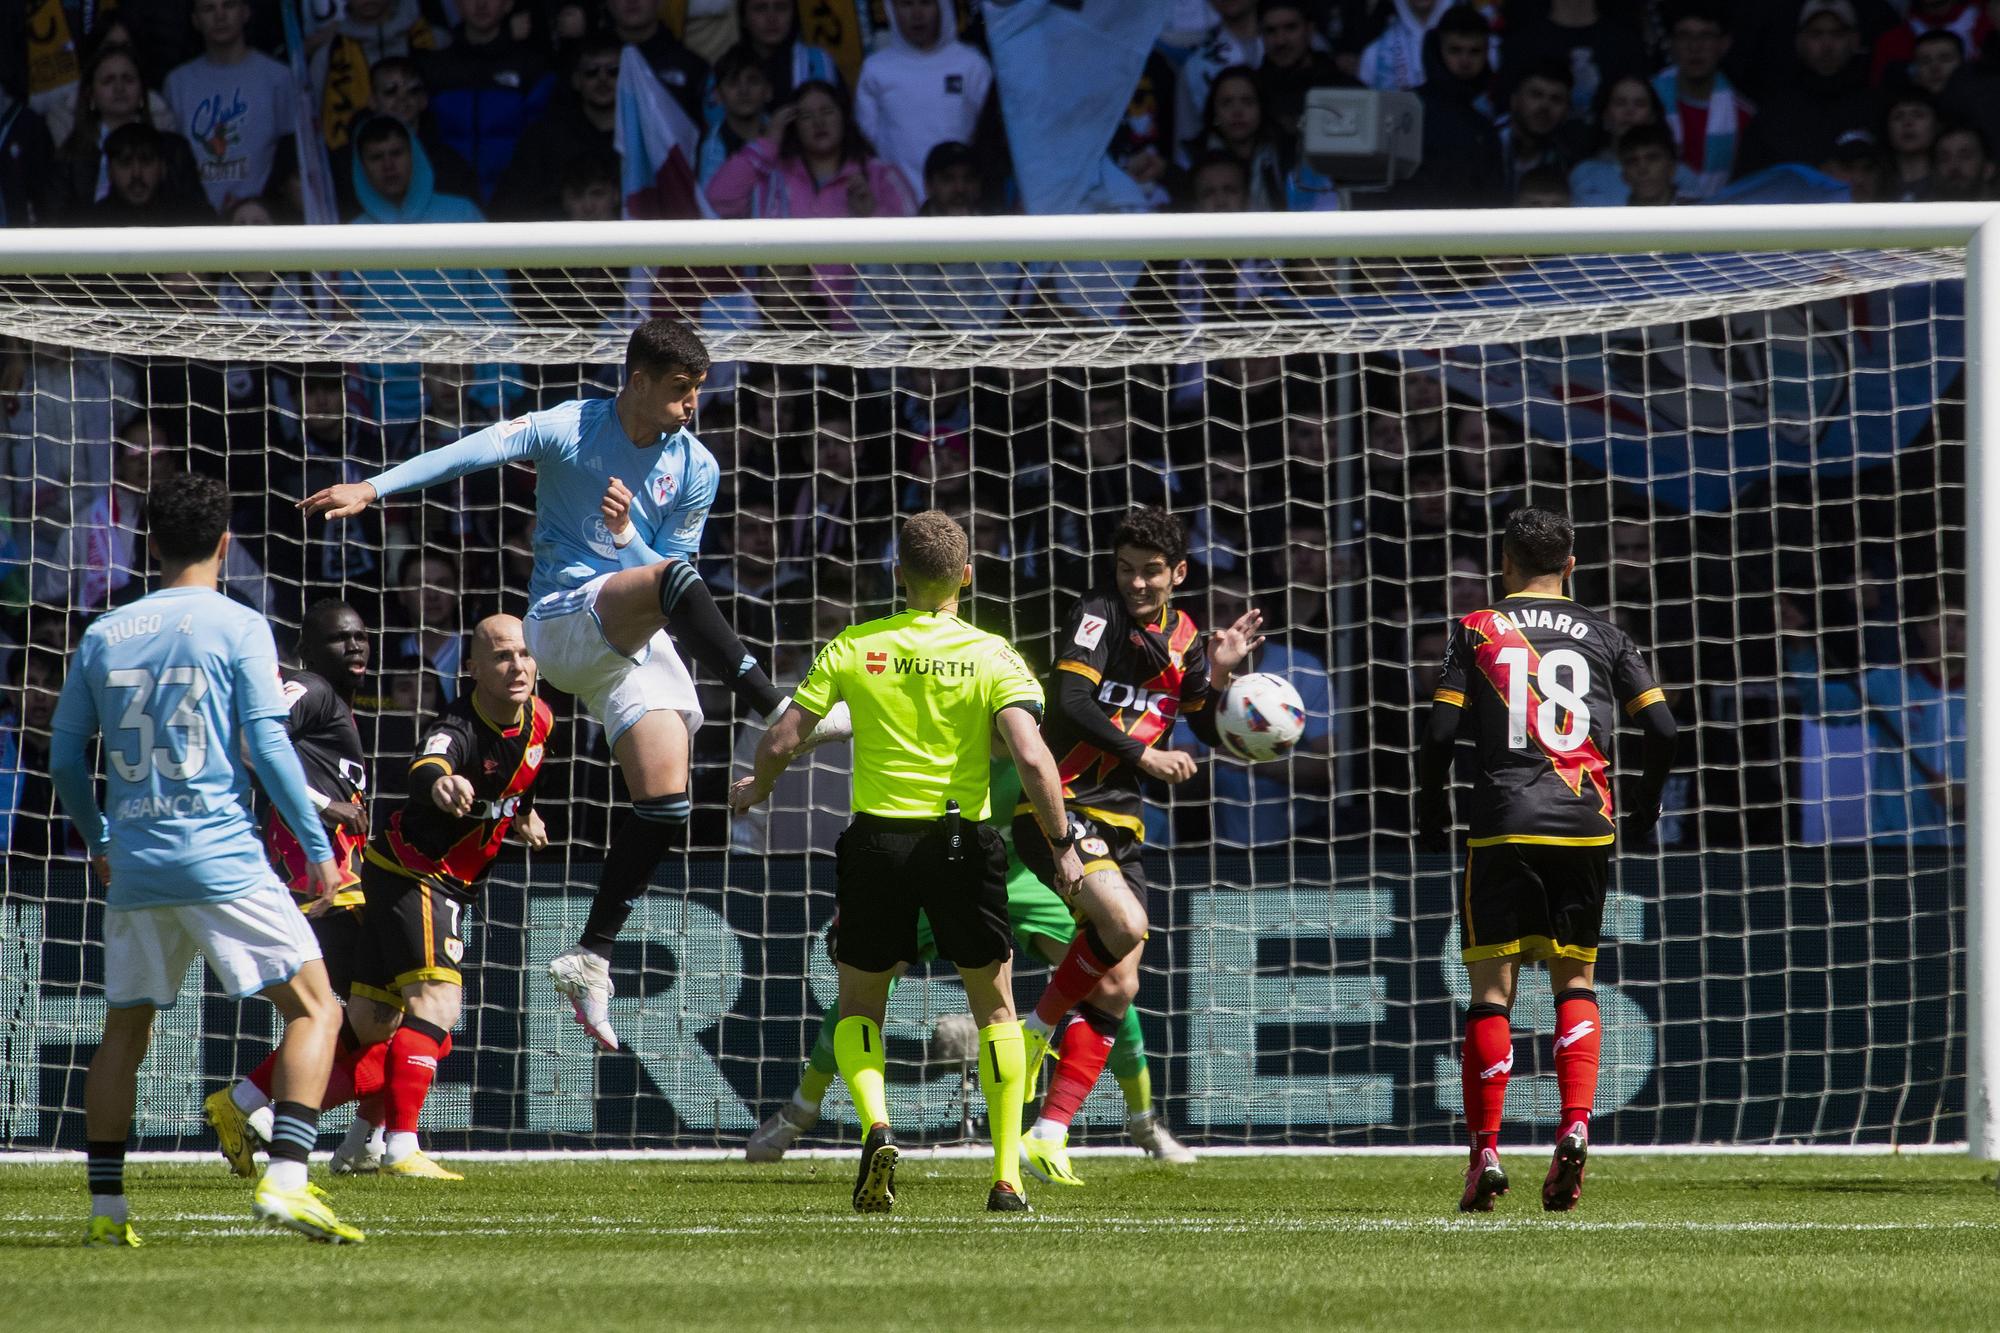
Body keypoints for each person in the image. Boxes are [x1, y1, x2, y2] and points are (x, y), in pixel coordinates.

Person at [301, 320, 834, 1053]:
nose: (690, 407)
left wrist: (625, 538)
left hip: (632, 634)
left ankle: (591, 955)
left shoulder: (698, 467)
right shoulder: (570, 426)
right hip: (561, 620)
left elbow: (671, 573)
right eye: (679, 392)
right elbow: (475, 449)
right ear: (639, 381)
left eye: (697, 394)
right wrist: (372, 485)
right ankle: (778, 705)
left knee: (667, 804)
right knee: (673, 594)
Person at [730, 509, 1086, 1214]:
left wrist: (756, 788)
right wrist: (1064, 845)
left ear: (897, 576)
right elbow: (1032, 755)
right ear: (965, 576)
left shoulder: (856, 646)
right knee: (996, 1008)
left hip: (878, 843)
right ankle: (1008, 1174)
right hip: (963, 841)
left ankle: (877, 1124)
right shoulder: (993, 653)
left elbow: (780, 740)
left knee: (862, 1003)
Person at [48, 471, 363, 1245]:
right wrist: (320, 851)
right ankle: (288, 1176)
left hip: (139, 865)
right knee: (317, 1007)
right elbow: (268, 747)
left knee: (125, 1032)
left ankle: (106, 1207)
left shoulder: (102, 633)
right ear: (225, 543)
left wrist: (101, 841)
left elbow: (61, 759)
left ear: (147, 543)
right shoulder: (240, 626)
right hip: (221, 855)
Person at [744, 756, 1197, 1166]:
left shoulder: (1032, 707)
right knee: (863, 993)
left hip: (1021, 873)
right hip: (939, 867)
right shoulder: (944, 711)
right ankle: (800, 1109)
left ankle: (1143, 1120)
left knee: (1112, 979)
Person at [1415, 506, 1678, 1214]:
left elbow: (1441, 731)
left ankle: (1487, 1153)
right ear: (1571, 566)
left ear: (1504, 563)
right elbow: (1662, 725)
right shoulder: (1606, 633)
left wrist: (1428, 806)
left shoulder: (1477, 627)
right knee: (1576, 982)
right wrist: (1647, 803)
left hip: (1503, 824)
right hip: (1585, 824)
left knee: (1491, 994)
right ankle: (1575, 1129)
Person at [1009, 507, 1264, 1188]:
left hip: (1124, 824)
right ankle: (1034, 1031)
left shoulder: (1185, 635)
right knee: (1124, 925)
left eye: (1151, 570)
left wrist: (1219, 672)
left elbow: (1203, 725)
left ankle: (1049, 1130)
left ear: (1179, 573)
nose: (1136, 582)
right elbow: (1069, 703)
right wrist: (1144, 756)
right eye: (1126, 568)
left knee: (1120, 981)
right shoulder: (1097, 614)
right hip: (1057, 805)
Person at [328, 614, 553, 1177]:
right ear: (472, 668)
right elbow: (429, 762)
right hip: (418, 872)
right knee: (438, 1006)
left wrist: (521, 816)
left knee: (377, 1023)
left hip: (421, 874)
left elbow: (510, 783)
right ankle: (403, 1147)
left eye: (524, 654)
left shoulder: (541, 719)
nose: (517, 666)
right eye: (501, 656)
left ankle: (286, 1118)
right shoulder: (457, 723)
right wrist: (441, 781)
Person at [205, 600, 376, 1171]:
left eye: (359, 637)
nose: (354, 646)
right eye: (338, 638)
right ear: (306, 651)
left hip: (331, 872)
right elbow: (253, 741)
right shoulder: (308, 688)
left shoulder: (334, 706)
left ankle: (272, 1109)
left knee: (365, 1013)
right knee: (375, 1009)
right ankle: (265, 1109)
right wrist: (329, 806)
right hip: (319, 876)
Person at [163, 0, 301, 213]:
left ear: (245, 12)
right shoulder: (177, 83)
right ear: (195, 20)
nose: (220, 16)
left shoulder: (278, 77)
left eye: (228, 5)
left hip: (260, 218)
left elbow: (291, 157)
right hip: (197, 219)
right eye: (208, 8)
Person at [853, 0, 991, 207]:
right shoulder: (875, 70)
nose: (917, 14)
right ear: (892, 10)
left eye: (926, 3)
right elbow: (869, 141)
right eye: (906, 5)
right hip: (897, 210)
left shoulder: (972, 65)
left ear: (942, 7)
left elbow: (988, 135)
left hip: (962, 207)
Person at [419, 0, 556, 205]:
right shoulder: (434, 69)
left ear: (508, 4)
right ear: (457, 5)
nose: (481, 4)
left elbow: (541, 147)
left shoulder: (532, 68)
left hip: (518, 206)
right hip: (448, 203)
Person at [1738, 2, 1874, 176]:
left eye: (1837, 34)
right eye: (1816, 34)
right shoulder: (1776, 112)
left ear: (1855, 40)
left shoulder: (1874, 107)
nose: (1827, 45)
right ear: (1799, 41)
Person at [1652, 1, 1755, 200]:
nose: (1695, 47)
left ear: (1724, 44)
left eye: (1706, 36)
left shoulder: (1744, 115)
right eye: (1684, 36)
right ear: (1671, 43)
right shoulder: (1646, 100)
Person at [1569, 75, 1700, 207]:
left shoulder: (1681, 175)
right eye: (1620, 103)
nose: (1629, 111)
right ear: (1606, 117)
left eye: (1639, 104)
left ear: (1652, 118)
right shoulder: (1583, 174)